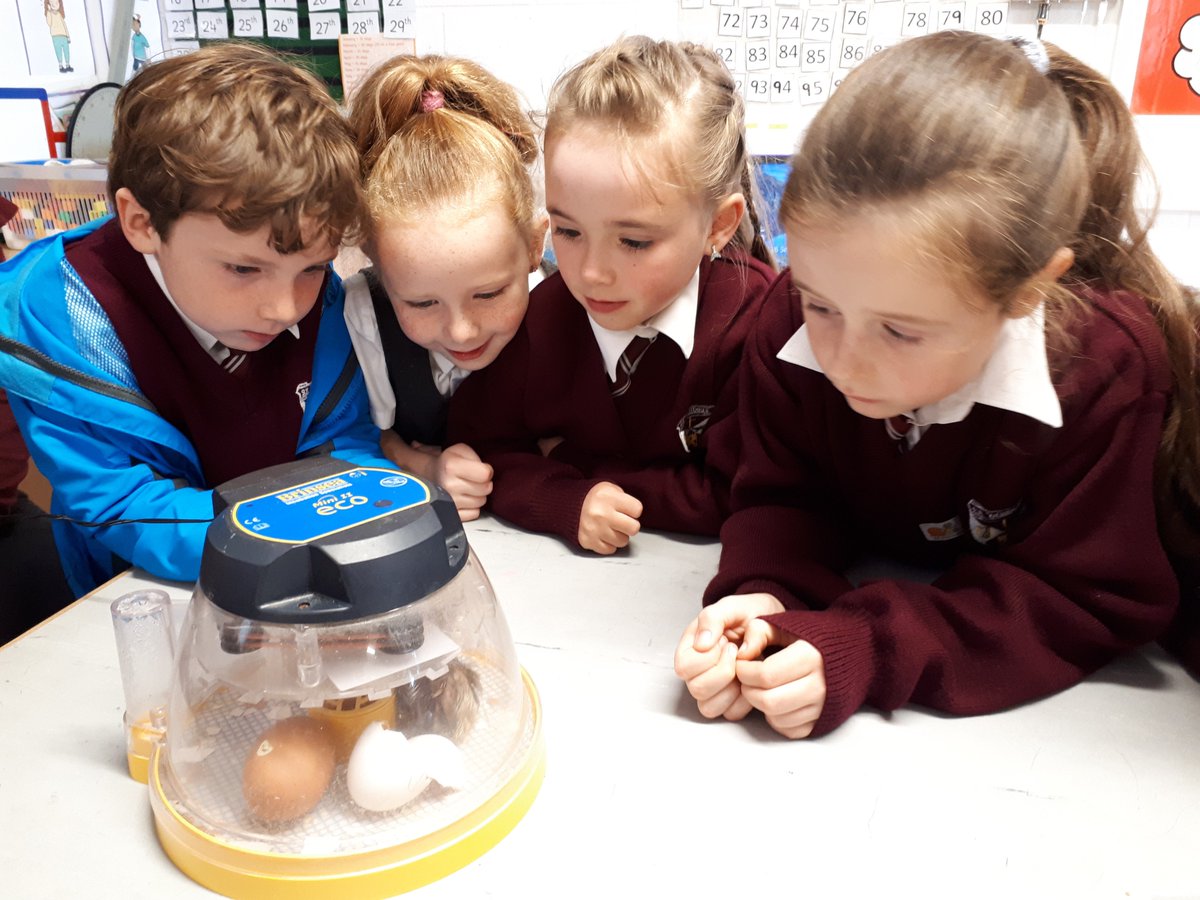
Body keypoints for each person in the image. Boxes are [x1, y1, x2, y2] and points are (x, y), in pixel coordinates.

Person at [675, 32, 1200, 738]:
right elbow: (782, 495)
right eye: (821, 306)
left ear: (1024, 293)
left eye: (901, 331)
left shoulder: (1104, 368)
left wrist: (868, 644)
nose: (844, 361)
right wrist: (766, 592)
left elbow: (1080, 595)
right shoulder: (785, 318)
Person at [0, 43, 386, 597]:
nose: (284, 307)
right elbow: (122, 505)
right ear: (141, 222)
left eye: (312, 269)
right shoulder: (56, 322)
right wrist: (295, 534)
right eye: (242, 268)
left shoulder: (324, 304)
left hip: (308, 576)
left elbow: (344, 444)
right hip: (142, 591)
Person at [447, 35, 778, 554]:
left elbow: (737, 493)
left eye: (634, 241)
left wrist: (577, 466)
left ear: (718, 224)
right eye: (569, 231)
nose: (592, 274)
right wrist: (563, 500)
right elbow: (483, 451)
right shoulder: (541, 321)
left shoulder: (755, 321)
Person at [343, 54, 546, 522]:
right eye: (420, 302)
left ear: (535, 245)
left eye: (490, 294)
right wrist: (427, 466)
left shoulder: (568, 309)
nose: (461, 332)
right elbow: (365, 436)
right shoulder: (359, 315)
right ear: (376, 263)